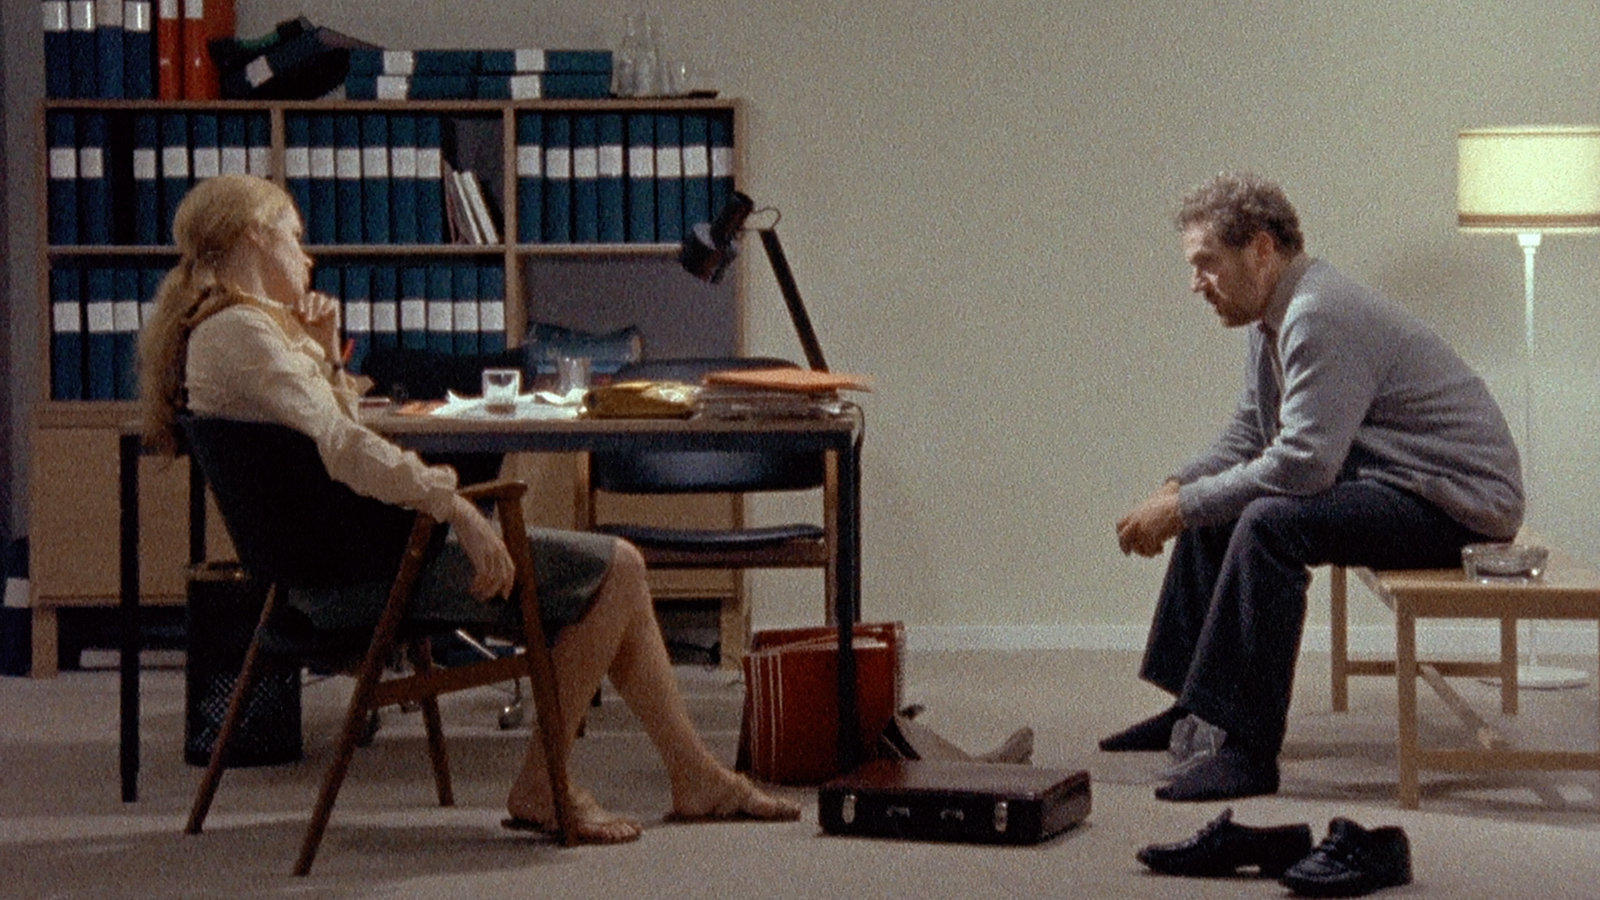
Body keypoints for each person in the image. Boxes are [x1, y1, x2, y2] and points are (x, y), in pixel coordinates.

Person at [139, 173, 800, 843]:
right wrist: (455, 507)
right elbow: (345, 449)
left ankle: (695, 775)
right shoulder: (244, 334)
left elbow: (330, 441)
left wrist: (325, 354)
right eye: (294, 237)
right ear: (256, 237)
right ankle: (550, 784)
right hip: (361, 577)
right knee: (619, 569)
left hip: (330, 566)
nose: (307, 258)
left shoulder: (227, 328)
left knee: (611, 577)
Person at [1106, 172, 1524, 802]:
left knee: (1268, 523)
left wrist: (1184, 508)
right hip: (1398, 482)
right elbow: (1251, 434)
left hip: (1459, 503)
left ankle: (1248, 751)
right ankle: (1196, 707)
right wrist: (1175, 489)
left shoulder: (1318, 315)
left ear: (1260, 249)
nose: (1197, 283)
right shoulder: (1271, 319)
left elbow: (1303, 465)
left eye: (1207, 263)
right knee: (1221, 503)